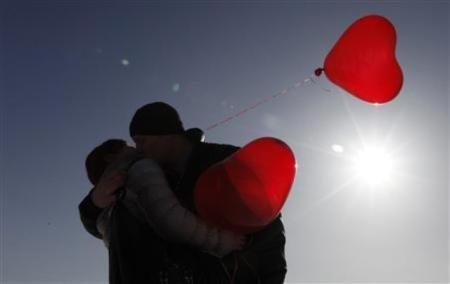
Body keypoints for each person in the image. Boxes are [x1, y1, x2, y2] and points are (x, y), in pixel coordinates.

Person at [129, 102, 287, 283]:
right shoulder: (153, 180)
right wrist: (93, 207)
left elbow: (267, 222)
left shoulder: (227, 160)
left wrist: (270, 278)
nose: (138, 149)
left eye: (142, 140)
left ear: (165, 133)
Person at [85, 138, 245, 257]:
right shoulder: (139, 169)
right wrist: (223, 241)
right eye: (126, 146)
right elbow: (171, 219)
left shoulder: (108, 209)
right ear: (111, 157)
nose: (134, 147)